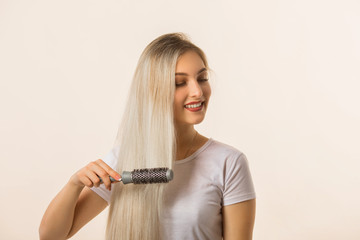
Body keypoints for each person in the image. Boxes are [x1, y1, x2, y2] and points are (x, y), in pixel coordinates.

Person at [39, 33, 256, 240]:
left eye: (202, 78)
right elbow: (51, 236)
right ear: (152, 90)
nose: (197, 91)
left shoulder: (229, 163)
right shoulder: (123, 162)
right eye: (179, 82)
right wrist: (74, 184)